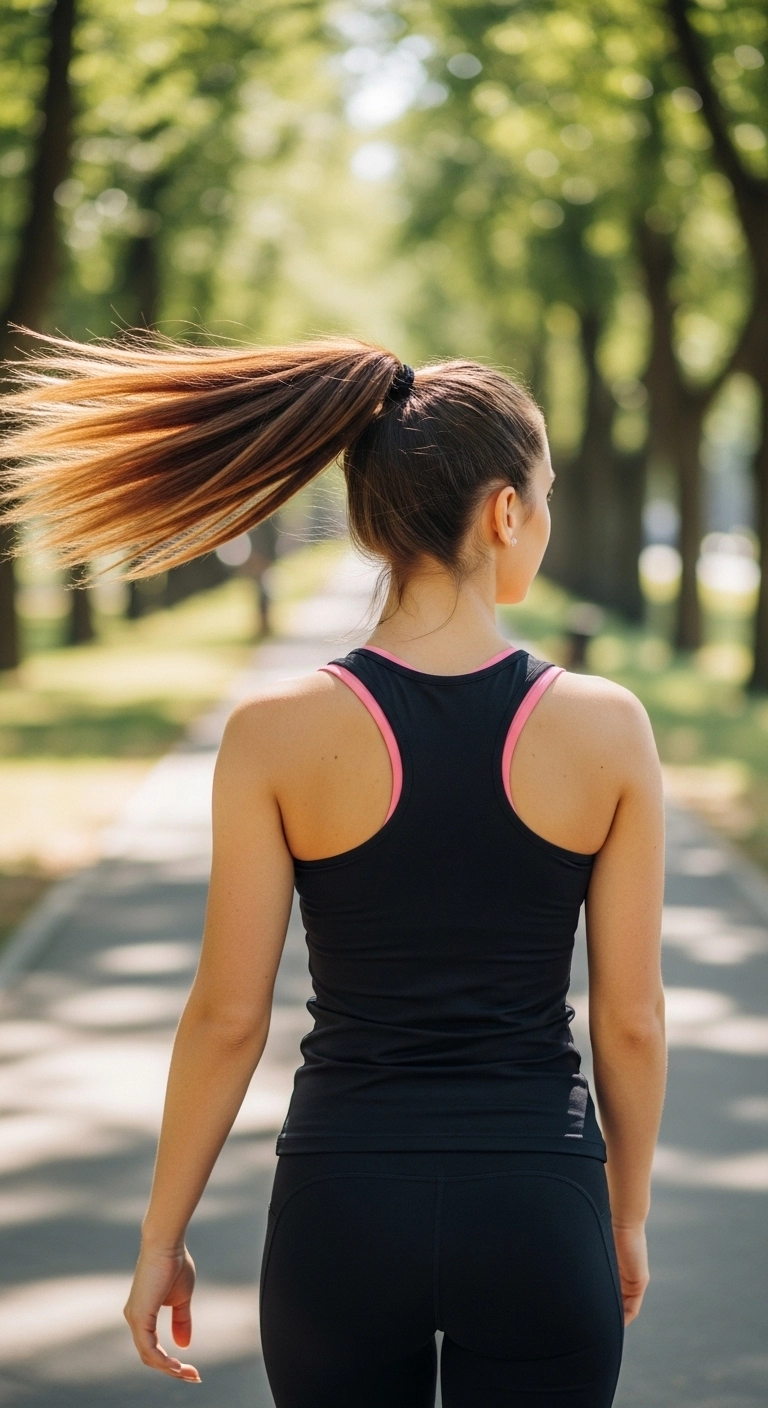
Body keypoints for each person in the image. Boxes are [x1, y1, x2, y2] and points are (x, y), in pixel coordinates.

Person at [2, 335, 666, 1407]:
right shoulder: (607, 727)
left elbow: (227, 1014)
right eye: (541, 497)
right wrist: (623, 1216)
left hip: (341, 1212)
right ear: (505, 513)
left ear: (368, 517)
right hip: (538, 1206)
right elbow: (630, 1020)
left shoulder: (274, 732)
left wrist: (160, 1239)